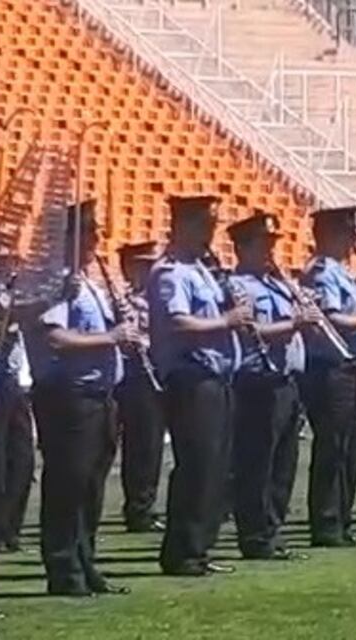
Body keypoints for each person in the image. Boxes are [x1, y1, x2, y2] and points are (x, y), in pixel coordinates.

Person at [28, 200, 137, 596]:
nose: (96, 240)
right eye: (89, 232)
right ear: (69, 236)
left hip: (99, 395)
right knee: (68, 483)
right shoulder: (56, 282)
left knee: (91, 485)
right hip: (69, 395)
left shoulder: (91, 281)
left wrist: (125, 330)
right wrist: (111, 337)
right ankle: (64, 568)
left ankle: (85, 561)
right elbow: (56, 338)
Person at [149, 194, 247, 576]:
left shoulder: (203, 270)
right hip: (191, 377)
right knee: (197, 464)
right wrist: (227, 320)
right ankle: (183, 551)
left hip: (216, 376)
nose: (211, 232)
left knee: (215, 466)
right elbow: (178, 322)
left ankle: (200, 547)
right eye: (205, 225)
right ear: (184, 225)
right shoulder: (171, 272)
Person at [299, 206, 356, 548]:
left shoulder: (340, 272)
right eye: (348, 233)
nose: (354, 240)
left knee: (352, 448)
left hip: (352, 369)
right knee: (334, 448)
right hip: (330, 369)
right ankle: (327, 523)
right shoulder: (322, 272)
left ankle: (342, 518)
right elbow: (332, 319)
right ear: (332, 234)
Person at [226, 211, 313, 560]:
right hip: (257, 381)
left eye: (271, 244)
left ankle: (273, 528)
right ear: (242, 247)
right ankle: (255, 535)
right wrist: (294, 324)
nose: (270, 251)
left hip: (286, 379)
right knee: (257, 463)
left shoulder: (277, 284)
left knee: (283, 463)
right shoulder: (237, 286)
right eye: (262, 244)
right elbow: (250, 331)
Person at [0, 229, 35, 554]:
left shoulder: (13, 289)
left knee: (21, 457)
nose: (5, 262)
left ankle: (11, 525)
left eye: (9, 256)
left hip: (14, 378)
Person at [115, 241, 167, 534]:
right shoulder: (122, 300)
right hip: (132, 377)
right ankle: (138, 509)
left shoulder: (157, 298)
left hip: (157, 374)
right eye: (143, 265)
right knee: (138, 445)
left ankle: (145, 505)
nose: (150, 271)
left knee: (151, 445)